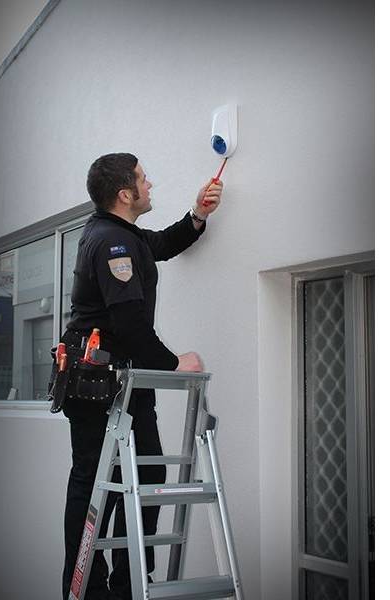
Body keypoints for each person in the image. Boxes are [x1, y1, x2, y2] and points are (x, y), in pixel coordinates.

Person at [61, 153, 223, 600]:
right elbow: (129, 322)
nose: (150, 184)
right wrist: (174, 365)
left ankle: (131, 582)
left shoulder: (119, 234)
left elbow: (161, 244)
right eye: (143, 179)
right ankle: (91, 591)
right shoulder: (112, 242)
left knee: (144, 475)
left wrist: (198, 216)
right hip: (101, 386)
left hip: (122, 382)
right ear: (125, 194)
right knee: (99, 486)